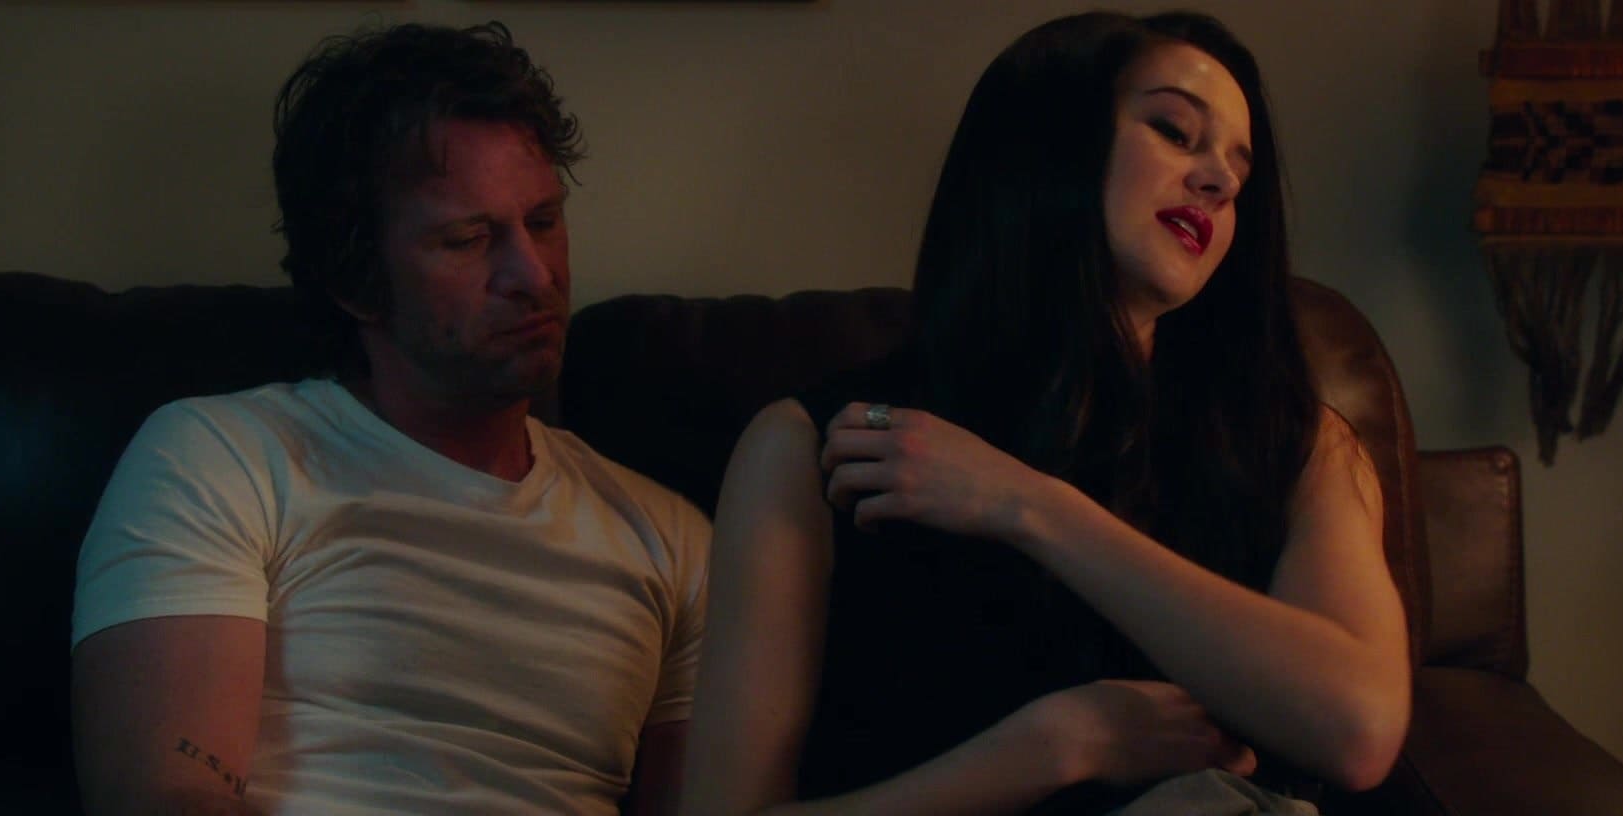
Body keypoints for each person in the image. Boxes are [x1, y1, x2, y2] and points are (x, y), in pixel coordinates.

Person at [682, 10, 1409, 815]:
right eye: (1175, 131)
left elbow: (1359, 728)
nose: (1220, 181)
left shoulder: (1296, 444)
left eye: (1239, 167)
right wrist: (1061, 745)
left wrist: (1030, 506)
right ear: (1046, 146)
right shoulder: (813, 446)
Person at [70, 22, 708, 816]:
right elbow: (167, 796)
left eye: (543, 222)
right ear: (354, 280)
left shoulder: (670, 540)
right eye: (468, 239)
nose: (533, 273)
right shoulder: (224, 458)